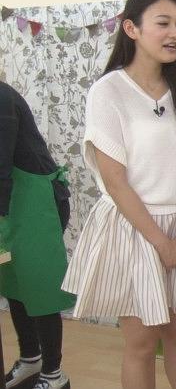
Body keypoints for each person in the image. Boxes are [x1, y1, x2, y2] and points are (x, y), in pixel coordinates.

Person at [61, 0, 176, 389]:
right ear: (131, 29)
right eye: (163, 23)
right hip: (134, 228)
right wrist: (160, 242)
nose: (175, 33)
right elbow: (115, 182)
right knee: (141, 343)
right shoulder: (108, 92)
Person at [0, 81, 75, 389]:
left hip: (35, 201)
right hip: (11, 203)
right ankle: (31, 359)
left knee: (39, 287)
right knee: (14, 282)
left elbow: (1, 165)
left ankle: (54, 374)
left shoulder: (2, 98)